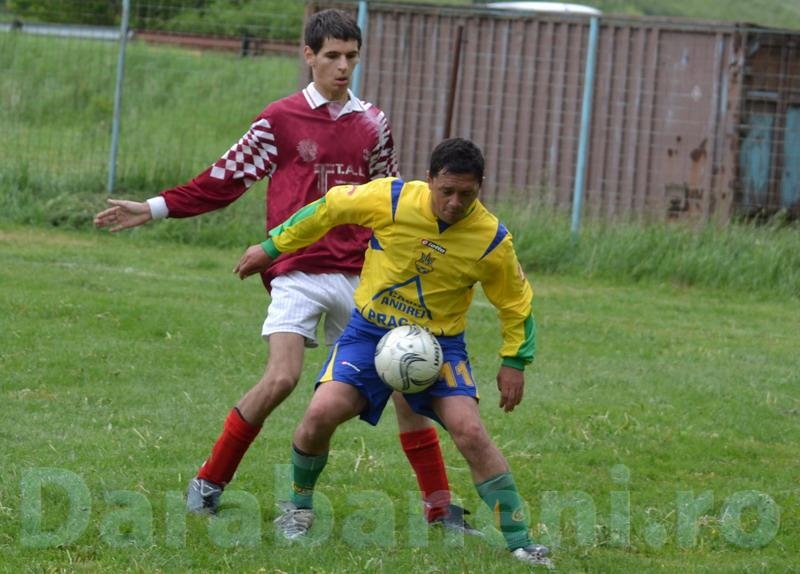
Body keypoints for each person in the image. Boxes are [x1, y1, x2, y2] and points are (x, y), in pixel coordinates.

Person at [93, 9, 477, 533]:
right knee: (281, 378)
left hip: (361, 278)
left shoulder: (373, 123)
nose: (342, 67)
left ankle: (438, 508)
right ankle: (209, 481)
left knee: (407, 387)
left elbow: (392, 202)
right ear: (309, 56)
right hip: (296, 270)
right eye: (332, 56)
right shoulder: (280, 119)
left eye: (351, 57)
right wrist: (155, 207)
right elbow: (225, 178)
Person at [233, 138, 553, 568]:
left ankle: (521, 541)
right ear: (429, 179)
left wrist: (514, 361)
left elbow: (516, 302)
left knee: (470, 431)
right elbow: (330, 208)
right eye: (447, 191)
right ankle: (299, 507)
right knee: (320, 413)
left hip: (440, 346)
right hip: (369, 334)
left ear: (480, 187)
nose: (455, 203)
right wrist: (273, 246)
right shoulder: (392, 198)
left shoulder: (491, 239)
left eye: (467, 194)